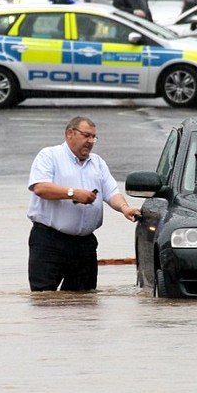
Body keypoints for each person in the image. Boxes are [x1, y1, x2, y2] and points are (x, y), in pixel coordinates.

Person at [27, 116, 142, 292]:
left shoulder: (97, 162)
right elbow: (40, 188)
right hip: (49, 242)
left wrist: (125, 209)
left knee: (84, 301)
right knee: (44, 299)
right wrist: (73, 193)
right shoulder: (49, 156)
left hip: (84, 245)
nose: (90, 141)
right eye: (86, 136)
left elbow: (111, 192)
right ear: (70, 133)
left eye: (93, 137)